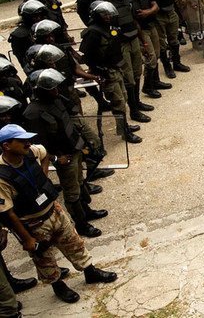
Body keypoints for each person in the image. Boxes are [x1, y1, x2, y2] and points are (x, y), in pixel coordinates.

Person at [0, 124, 117, 303]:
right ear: (6, 145)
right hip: (33, 223)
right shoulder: (2, 176)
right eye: (21, 140)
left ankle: (90, 272)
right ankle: (58, 286)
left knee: (74, 242)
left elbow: (45, 153)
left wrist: (43, 178)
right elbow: (8, 213)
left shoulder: (32, 151)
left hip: (53, 210)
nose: (27, 143)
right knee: (45, 259)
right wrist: (28, 239)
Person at [23, 68, 108, 238]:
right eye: (52, 89)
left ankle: (87, 211)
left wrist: (84, 144)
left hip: (74, 149)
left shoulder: (56, 99)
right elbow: (38, 146)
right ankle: (82, 225)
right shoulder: (33, 113)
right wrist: (55, 158)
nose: (56, 91)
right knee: (72, 192)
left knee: (80, 181)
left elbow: (70, 123)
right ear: (41, 91)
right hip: (64, 157)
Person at [79, 1, 143, 144]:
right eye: (104, 14)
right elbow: (87, 56)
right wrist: (99, 72)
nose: (107, 17)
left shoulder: (110, 28)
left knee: (124, 97)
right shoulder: (93, 33)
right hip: (106, 72)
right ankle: (124, 132)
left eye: (109, 14)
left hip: (116, 68)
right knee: (118, 102)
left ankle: (124, 125)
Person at [100, 0, 154, 123]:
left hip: (134, 39)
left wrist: (143, 40)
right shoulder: (105, 3)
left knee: (137, 73)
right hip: (121, 44)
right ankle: (134, 111)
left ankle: (137, 102)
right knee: (129, 78)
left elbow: (134, 20)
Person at [124, 0, 170, 100]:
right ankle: (147, 86)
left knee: (157, 54)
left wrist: (148, 12)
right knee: (150, 57)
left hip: (151, 24)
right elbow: (134, 18)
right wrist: (142, 39)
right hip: (141, 29)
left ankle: (155, 81)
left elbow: (155, 5)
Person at [144, 0, 190, 79]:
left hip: (171, 10)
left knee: (174, 40)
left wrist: (179, 14)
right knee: (162, 44)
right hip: (158, 15)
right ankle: (167, 67)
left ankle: (176, 62)